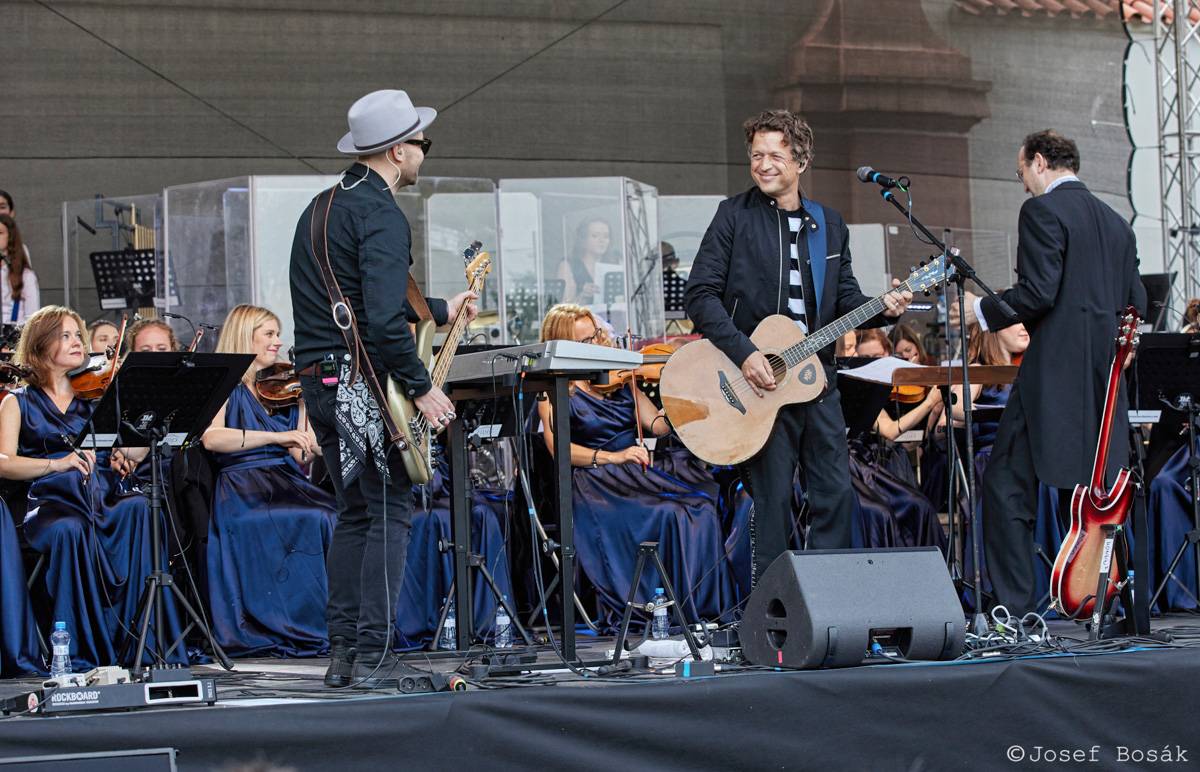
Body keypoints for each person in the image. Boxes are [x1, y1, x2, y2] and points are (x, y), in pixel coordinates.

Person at [290, 89, 477, 688]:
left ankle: (344, 656)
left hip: (319, 373)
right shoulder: (382, 214)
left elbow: (354, 298)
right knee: (392, 510)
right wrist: (422, 387)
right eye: (422, 142)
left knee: (355, 514)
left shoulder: (321, 207)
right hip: (361, 380)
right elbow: (379, 319)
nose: (425, 151)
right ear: (398, 151)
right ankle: (373, 654)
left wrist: (442, 308)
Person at [685, 109, 912, 584]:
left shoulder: (828, 224)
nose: (763, 164)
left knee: (835, 495)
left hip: (815, 381)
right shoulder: (733, 215)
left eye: (774, 155)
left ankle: (827, 604)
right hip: (755, 384)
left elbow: (844, 298)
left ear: (801, 161)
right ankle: (773, 615)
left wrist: (885, 308)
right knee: (770, 506)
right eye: (756, 155)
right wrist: (745, 352)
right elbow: (700, 295)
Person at [953, 129, 1147, 616]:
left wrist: (981, 311)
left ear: (1039, 162)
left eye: (1021, 173)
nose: (1022, 185)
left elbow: (1039, 292)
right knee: (1102, 497)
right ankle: (1117, 604)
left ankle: (1014, 609)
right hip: (1105, 385)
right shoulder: (1117, 223)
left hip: (1050, 382)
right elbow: (1138, 303)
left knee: (1005, 488)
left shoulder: (1042, 211)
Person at [0, 306, 183, 669]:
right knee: (71, 530)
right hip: (50, 501)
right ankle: (77, 647)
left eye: (77, 336)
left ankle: (137, 641)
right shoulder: (16, 402)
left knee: (138, 508)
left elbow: (129, 446)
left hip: (101, 493)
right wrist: (58, 462)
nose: (76, 343)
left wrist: (132, 448)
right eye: (64, 335)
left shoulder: (97, 396)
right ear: (40, 345)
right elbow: (4, 462)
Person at [534, 304, 734, 625]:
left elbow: (655, 424)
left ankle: (701, 610)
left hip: (635, 476)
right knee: (672, 514)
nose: (599, 343)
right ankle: (659, 608)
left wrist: (686, 404)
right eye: (586, 341)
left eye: (598, 333)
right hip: (596, 484)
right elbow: (560, 450)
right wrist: (615, 456)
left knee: (702, 507)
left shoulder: (622, 378)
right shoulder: (554, 390)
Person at [200, 304, 335, 657]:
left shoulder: (279, 388)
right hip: (244, 489)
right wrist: (278, 437)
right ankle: (303, 623)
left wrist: (304, 405)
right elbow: (213, 438)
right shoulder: (224, 382)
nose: (278, 342)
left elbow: (301, 457)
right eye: (269, 334)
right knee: (316, 517)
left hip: (285, 481)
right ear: (246, 335)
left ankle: (336, 622)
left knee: (337, 513)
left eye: (278, 334)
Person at [557, 218, 612, 305]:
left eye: (606, 236)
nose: (602, 240)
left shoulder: (613, 264)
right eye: (595, 236)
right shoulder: (568, 265)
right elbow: (564, 309)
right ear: (583, 240)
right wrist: (582, 296)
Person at [0, 215, 39, 324]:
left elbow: (32, 317)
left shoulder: (26, 276)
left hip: (14, 335)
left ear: (10, 237)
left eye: (0, 233)